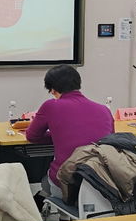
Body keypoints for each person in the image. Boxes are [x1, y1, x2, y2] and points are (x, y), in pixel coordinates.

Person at [25, 64, 114, 200]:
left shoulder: (51, 106)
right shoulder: (104, 110)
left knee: (47, 181)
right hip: (103, 184)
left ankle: (45, 204)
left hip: (68, 184)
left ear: (53, 89)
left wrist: (57, 135)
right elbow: (110, 140)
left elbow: (32, 136)